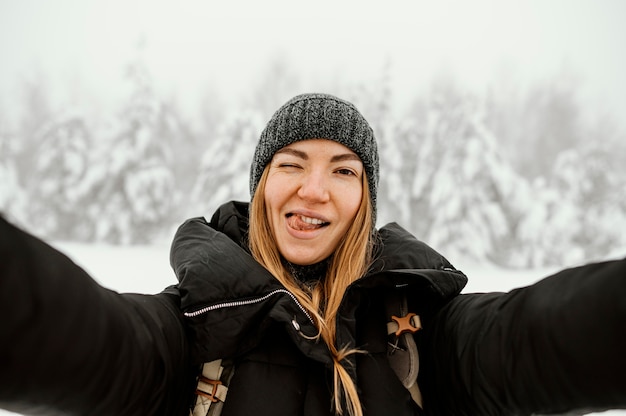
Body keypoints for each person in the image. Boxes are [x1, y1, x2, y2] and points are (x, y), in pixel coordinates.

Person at [0, 92, 625, 416]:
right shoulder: (191, 329)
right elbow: (86, 341)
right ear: (260, 189)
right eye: (290, 165)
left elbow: (535, 340)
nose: (314, 189)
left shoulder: (423, 335)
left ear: (366, 200)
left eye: (344, 171)